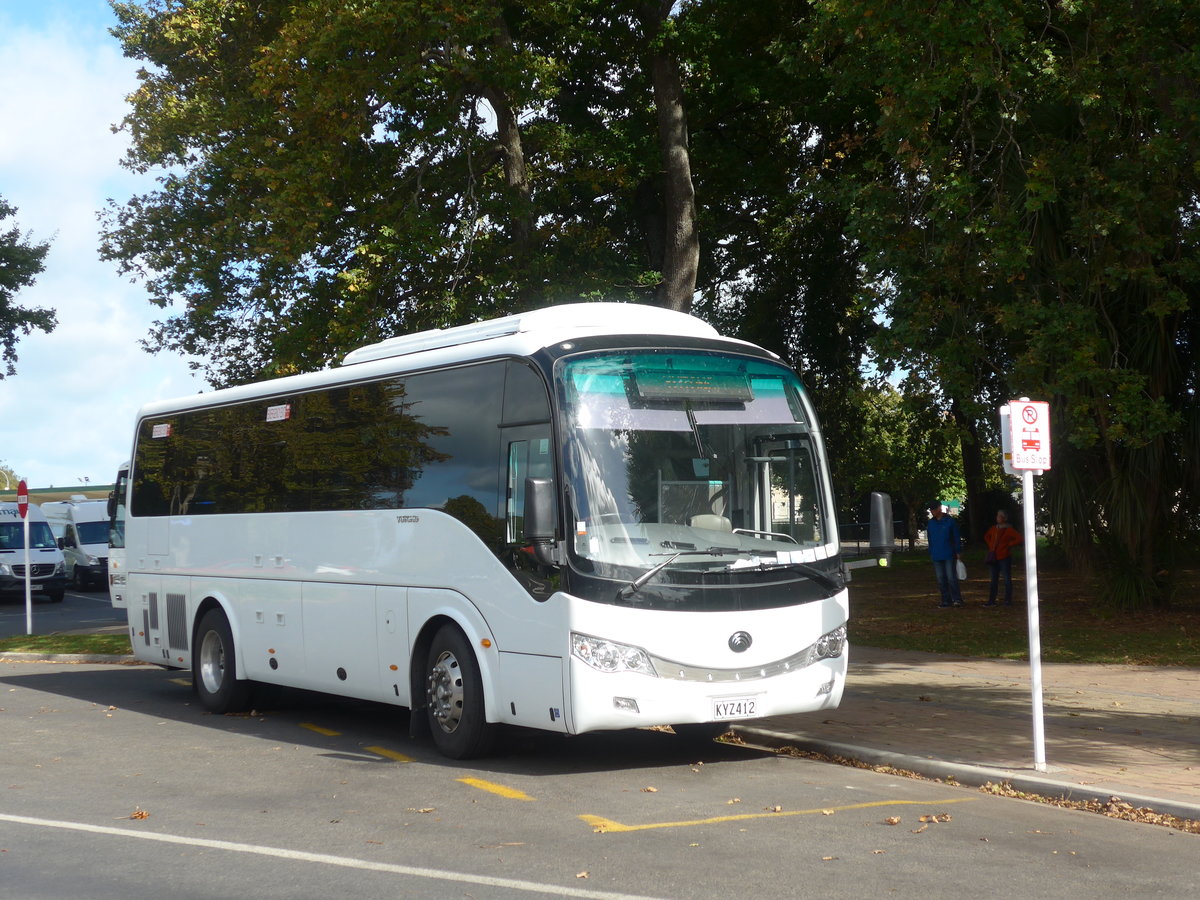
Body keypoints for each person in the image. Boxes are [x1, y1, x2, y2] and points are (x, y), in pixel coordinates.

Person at [926, 501, 963, 608]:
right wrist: (931, 551)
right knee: (941, 578)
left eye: (934, 509)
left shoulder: (949, 522)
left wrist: (957, 551)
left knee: (951, 577)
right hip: (936, 554)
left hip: (948, 553)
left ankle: (957, 599)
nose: (932, 511)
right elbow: (930, 539)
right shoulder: (931, 523)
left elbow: (955, 537)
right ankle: (946, 600)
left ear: (939, 508)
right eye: (931, 510)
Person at [983, 510, 1022, 607]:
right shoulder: (994, 528)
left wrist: (1009, 545)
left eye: (1000, 516)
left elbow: (1019, 538)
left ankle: (1007, 600)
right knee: (993, 579)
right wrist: (991, 546)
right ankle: (991, 600)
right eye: (997, 516)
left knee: (1007, 579)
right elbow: (986, 536)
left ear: (1004, 518)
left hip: (1004, 557)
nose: (998, 518)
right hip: (994, 556)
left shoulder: (1009, 530)